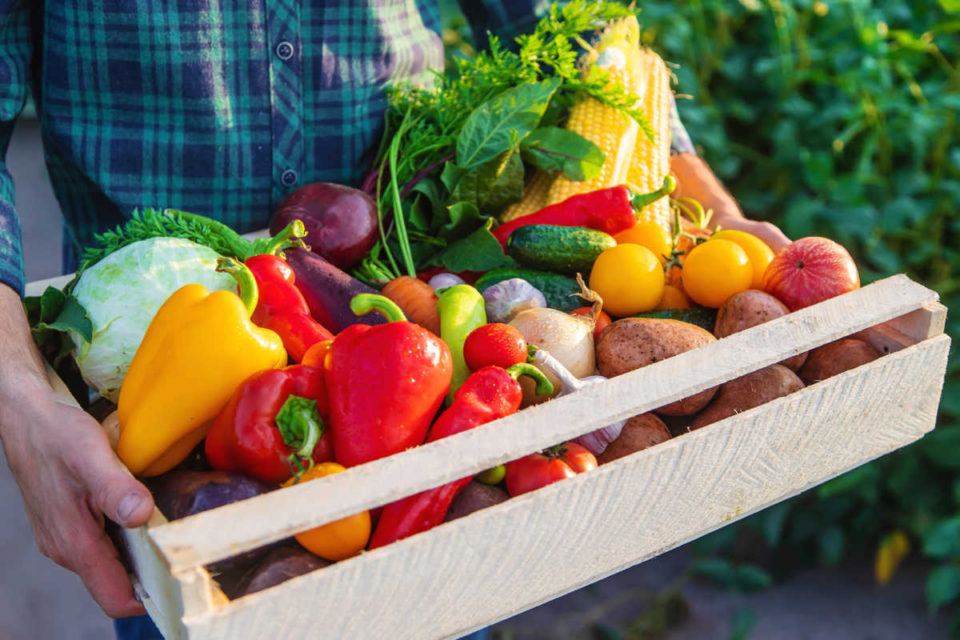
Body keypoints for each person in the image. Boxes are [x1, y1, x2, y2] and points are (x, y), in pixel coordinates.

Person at [0, 2, 789, 638]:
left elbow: (578, 27)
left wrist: (715, 216)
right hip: (144, 366)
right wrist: (19, 402)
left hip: (405, 292)